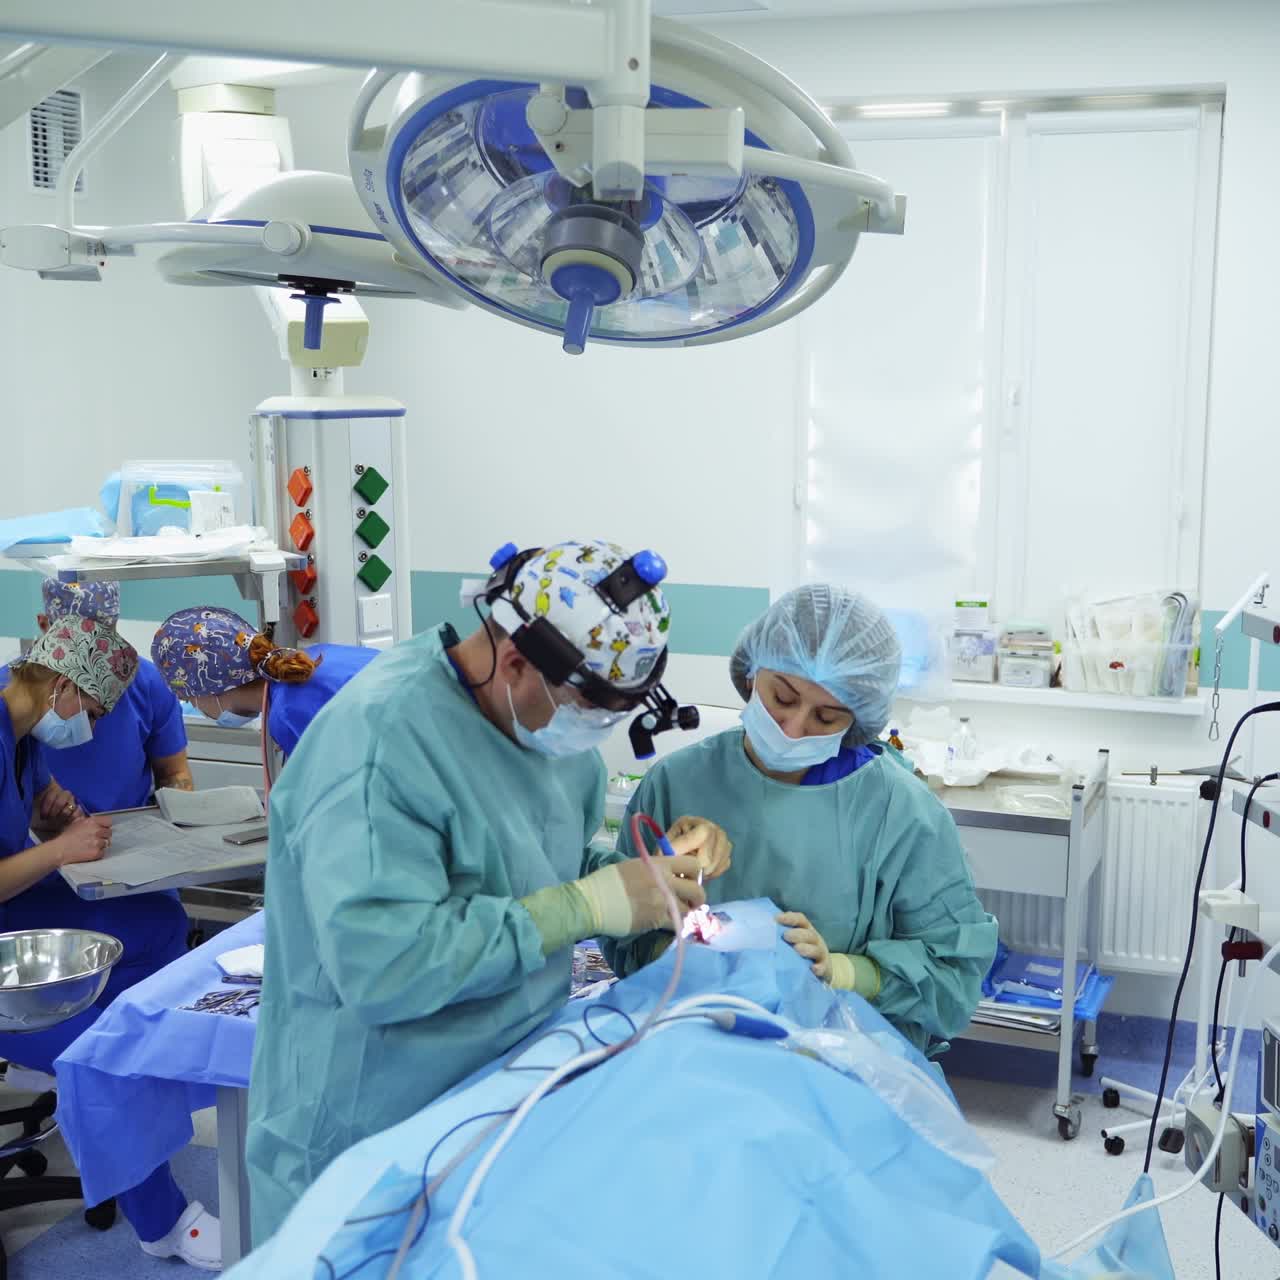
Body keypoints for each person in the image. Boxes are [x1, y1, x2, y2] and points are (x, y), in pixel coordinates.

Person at [246, 539, 731, 1243]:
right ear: (514, 661)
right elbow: (385, 966)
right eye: (589, 711)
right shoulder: (379, 746)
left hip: (498, 1091)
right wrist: (591, 903)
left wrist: (642, 876)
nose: (593, 733)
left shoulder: (540, 735)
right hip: (371, 1118)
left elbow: (526, 856)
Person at [611, 585, 998, 1058]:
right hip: (691, 1051)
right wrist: (686, 955)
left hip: (842, 1066)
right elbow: (621, 937)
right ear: (752, 672)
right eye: (782, 697)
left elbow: (952, 979)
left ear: (858, 719)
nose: (793, 728)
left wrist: (842, 970)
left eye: (827, 716)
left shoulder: (902, 814)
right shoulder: (678, 781)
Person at [0, 622, 220, 1269]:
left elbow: (31, 805)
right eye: (91, 712)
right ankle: (162, 1220)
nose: (91, 728)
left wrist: (51, 812)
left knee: (153, 922)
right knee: (98, 1046)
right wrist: (60, 850)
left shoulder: (21, 733)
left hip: (20, 909)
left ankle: (154, 1106)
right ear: (64, 687)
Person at [0, 579, 192, 813]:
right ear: (45, 625)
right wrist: (58, 844)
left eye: (103, 636)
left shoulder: (150, 684)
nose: (92, 649)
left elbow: (173, 772)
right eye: (75, 638)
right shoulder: (15, 703)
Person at [151, 607, 379, 762]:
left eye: (188, 698)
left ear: (211, 689)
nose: (190, 704)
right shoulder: (320, 654)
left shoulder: (289, 714)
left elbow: (340, 797)